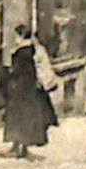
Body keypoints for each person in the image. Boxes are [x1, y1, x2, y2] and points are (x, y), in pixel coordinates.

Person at [4, 24, 58, 157]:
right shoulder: (33, 49)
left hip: (22, 90)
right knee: (26, 118)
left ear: (20, 36)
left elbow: (22, 71)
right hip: (30, 90)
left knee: (20, 118)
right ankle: (19, 145)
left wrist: (10, 76)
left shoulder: (23, 52)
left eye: (16, 35)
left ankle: (20, 147)